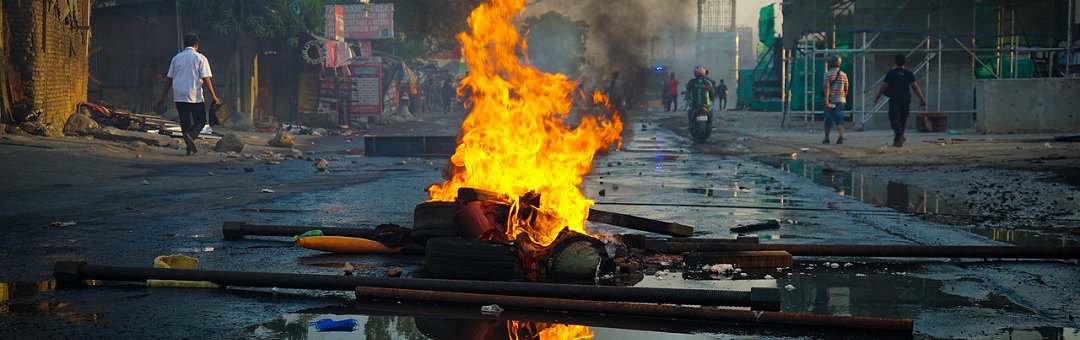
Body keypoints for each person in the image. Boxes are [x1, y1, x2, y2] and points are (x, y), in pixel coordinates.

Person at [156, 34, 220, 156]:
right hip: (194, 95)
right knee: (200, 121)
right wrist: (214, 96)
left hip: (179, 95)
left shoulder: (176, 58)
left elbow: (169, 79)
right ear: (196, 45)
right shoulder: (200, 58)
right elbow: (206, 79)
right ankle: (191, 136)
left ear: (185, 45)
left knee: (185, 121)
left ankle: (189, 149)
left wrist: (161, 96)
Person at [875, 53, 928, 147]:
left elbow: (884, 86)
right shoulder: (908, 73)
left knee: (894, 119)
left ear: (895, 62)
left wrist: (878, 96)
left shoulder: (891, 73)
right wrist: (922, 99)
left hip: (895, 99)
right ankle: (898, 140)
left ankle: (899, 136)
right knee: (903, 119)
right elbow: (915, 87)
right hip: (906, 99)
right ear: (905, 62)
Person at [821, 55, 848, 144]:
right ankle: (840, 136)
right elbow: (846, 88)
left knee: (828, 119)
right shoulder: (844, 75)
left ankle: (827, 138)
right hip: (841, 100)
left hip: (831, 100)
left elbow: (827, 87)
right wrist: (843, 96)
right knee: (839, 118)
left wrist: (827, 100)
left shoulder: (827, 74)